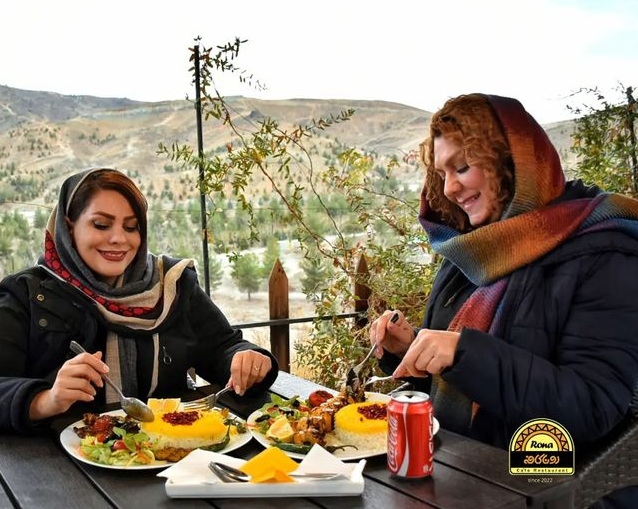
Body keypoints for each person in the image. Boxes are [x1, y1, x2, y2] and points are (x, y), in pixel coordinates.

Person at [370, 94, 638, 506]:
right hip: (459, 471)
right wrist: (411, 350)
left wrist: (462, 353)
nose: (450, 188)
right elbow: (464, 383)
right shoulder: (472, 250)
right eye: (442, 173)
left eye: (463, 167)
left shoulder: (605, 253)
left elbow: (591, 407)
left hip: (549, 486)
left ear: (514, 163)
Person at [0, 167, 277, 434]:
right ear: (68, 227)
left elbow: (223, 347)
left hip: (172, 450)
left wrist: (247, 360)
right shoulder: (25, 294)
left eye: (132, 227)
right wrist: (46, 400)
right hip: (56, 458)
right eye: (101, 225)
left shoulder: (173, 284)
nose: (119, 238)